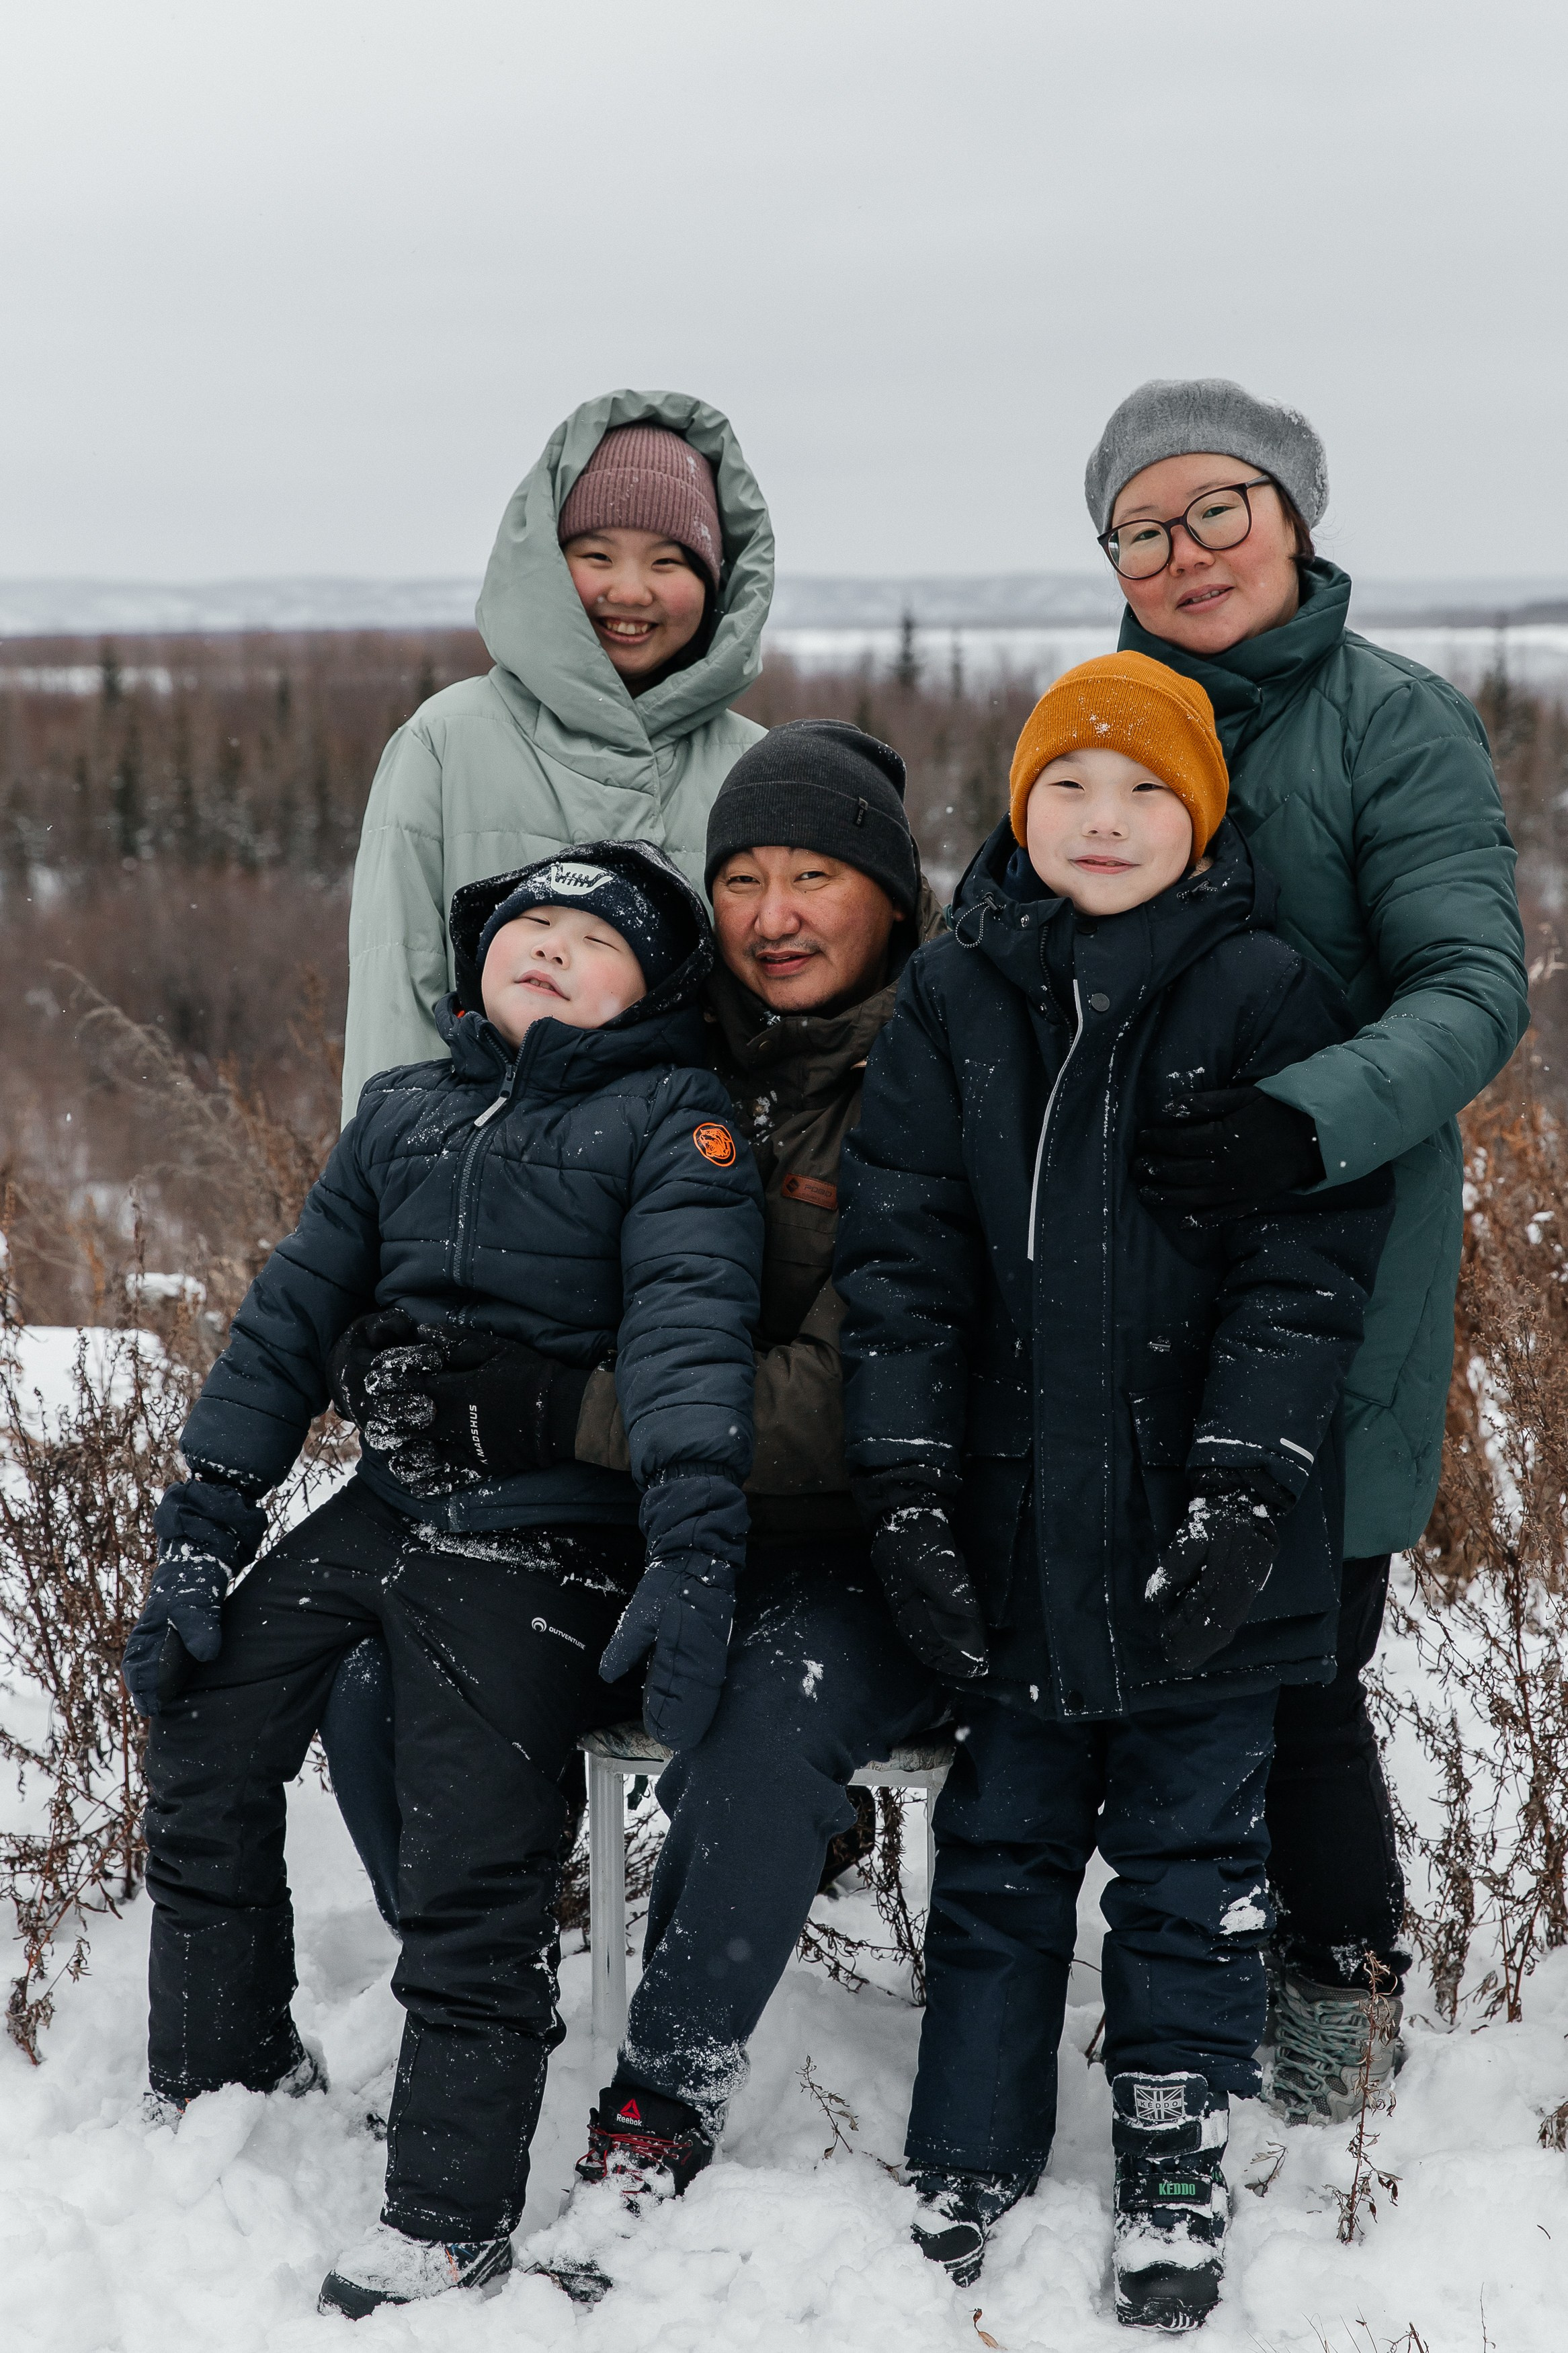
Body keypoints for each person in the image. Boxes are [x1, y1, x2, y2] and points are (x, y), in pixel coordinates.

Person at [321, 723, 951, 2291]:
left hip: (869, 1548)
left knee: (758, 1709)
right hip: (653, 1520)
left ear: (890, 899)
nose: (774, 912)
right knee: (368, 1670)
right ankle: (494, 1975)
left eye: (817, 876)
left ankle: (658, 2104)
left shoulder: (935, 1085)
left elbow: (861, 1396)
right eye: (740, 876)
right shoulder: (662, 1060)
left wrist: (555, 1409)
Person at [122, 841, 764, 2318]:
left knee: (477, 1833)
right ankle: (222, 2059)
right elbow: (289, 1318)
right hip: (387, 1494)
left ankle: (448, 2203)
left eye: (590, 941)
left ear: (653, 991)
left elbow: (683, 1343)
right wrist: (204, 1520)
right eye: (525, 923)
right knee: (207, 1723)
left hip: (551, 1527)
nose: (547, 947)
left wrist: (691, 1546)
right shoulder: (401, 1114)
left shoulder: (676, 1121)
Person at [835, 653, 1393, 2328]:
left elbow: (1300, 1277)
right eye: (1068, 787)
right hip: (1008, 1536)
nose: (1102, 819)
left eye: (1144, 790)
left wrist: (1241, 1488)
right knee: (997, 1847)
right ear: (1019, 809)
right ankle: (972, 2143)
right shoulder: (951, 997)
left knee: (1189, 1857)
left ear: (1201, 814)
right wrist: (912, 1491)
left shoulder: (1263, 993)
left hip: (1203, 1542)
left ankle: (1169, 2139)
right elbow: (900, 1266)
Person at [1083, 379, 1528, 2117]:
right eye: (1143, 524)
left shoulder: (1390, 726)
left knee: (1302, 1649)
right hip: (1129, 1259)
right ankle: (1177, 1960)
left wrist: (1301, 1114)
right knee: (1157, 1623)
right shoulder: (1099, 717)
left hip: (1338, 1248)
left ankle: (1336, 1991)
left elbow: (1470, 986)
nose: (1183, 551)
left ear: (1293, 516)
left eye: (1218, 509)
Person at [341, 389, 774, 1116]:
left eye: (668, 561)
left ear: (714, 582)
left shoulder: (758, 768)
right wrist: (386, 1192)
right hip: (473, 1191)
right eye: (595, 554)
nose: (629, 590)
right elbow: (397, 997)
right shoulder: (445, 743)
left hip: (693, 1200)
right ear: (544, 565)